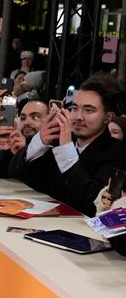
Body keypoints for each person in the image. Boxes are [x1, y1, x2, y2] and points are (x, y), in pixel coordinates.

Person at [10, 73, 122, 217]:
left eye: (89, 110)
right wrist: (40, 141)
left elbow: (92, 202)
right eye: (75, 108)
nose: (78, 117)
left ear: (108, 117)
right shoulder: (58, 140)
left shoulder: (117, 152)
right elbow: (17, 173)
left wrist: (65, 149)